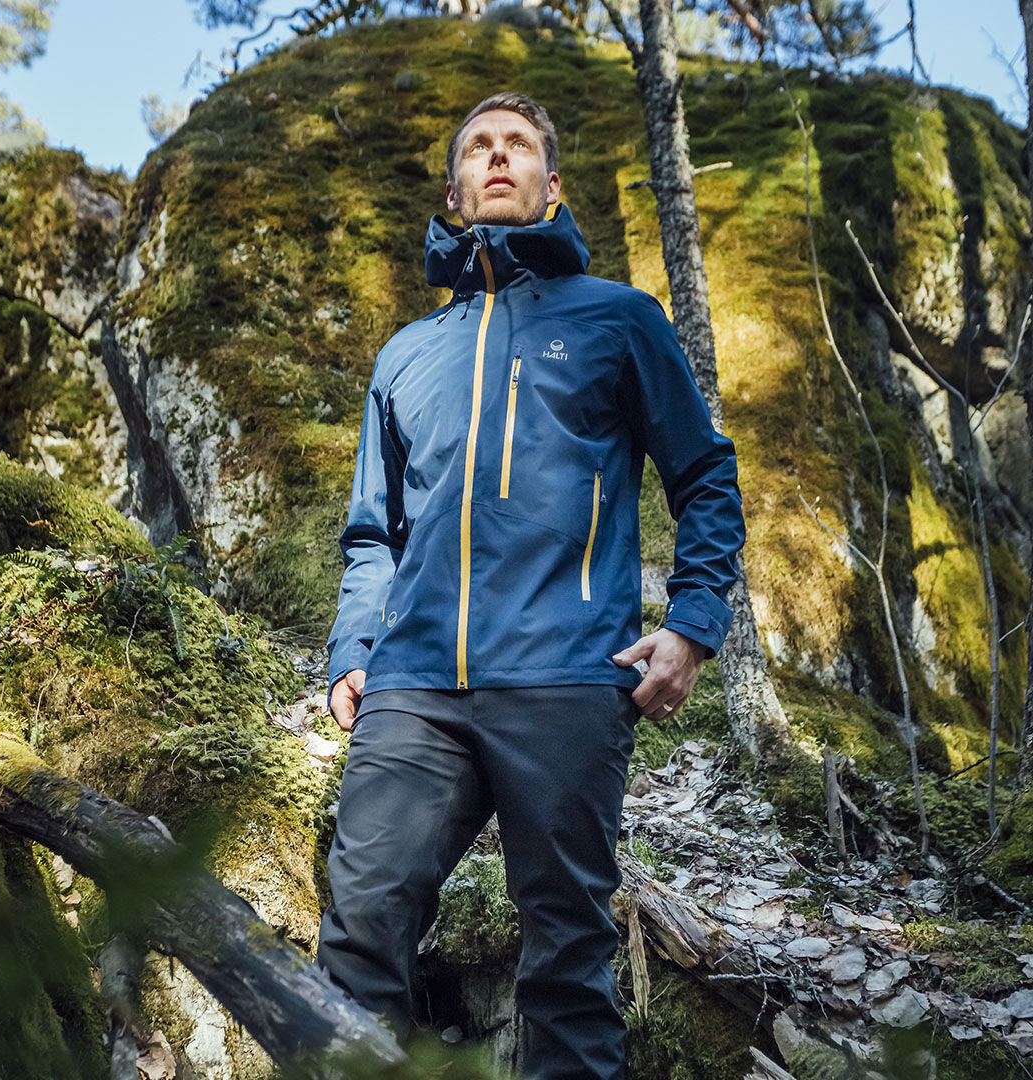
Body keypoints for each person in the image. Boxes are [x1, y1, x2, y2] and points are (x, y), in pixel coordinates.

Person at [317, 92, 745, 1080]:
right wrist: (354, 652)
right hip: (414, 690)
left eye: (518, 146)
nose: (497, 157)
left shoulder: (620, 321)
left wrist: (692, 624)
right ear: (458, 188)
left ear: (551, 184)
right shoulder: (407, 354)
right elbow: (372, 531)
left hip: (565, 680)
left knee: (566, 963)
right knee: (360, 935)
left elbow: (705, 475)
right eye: (478, 147)